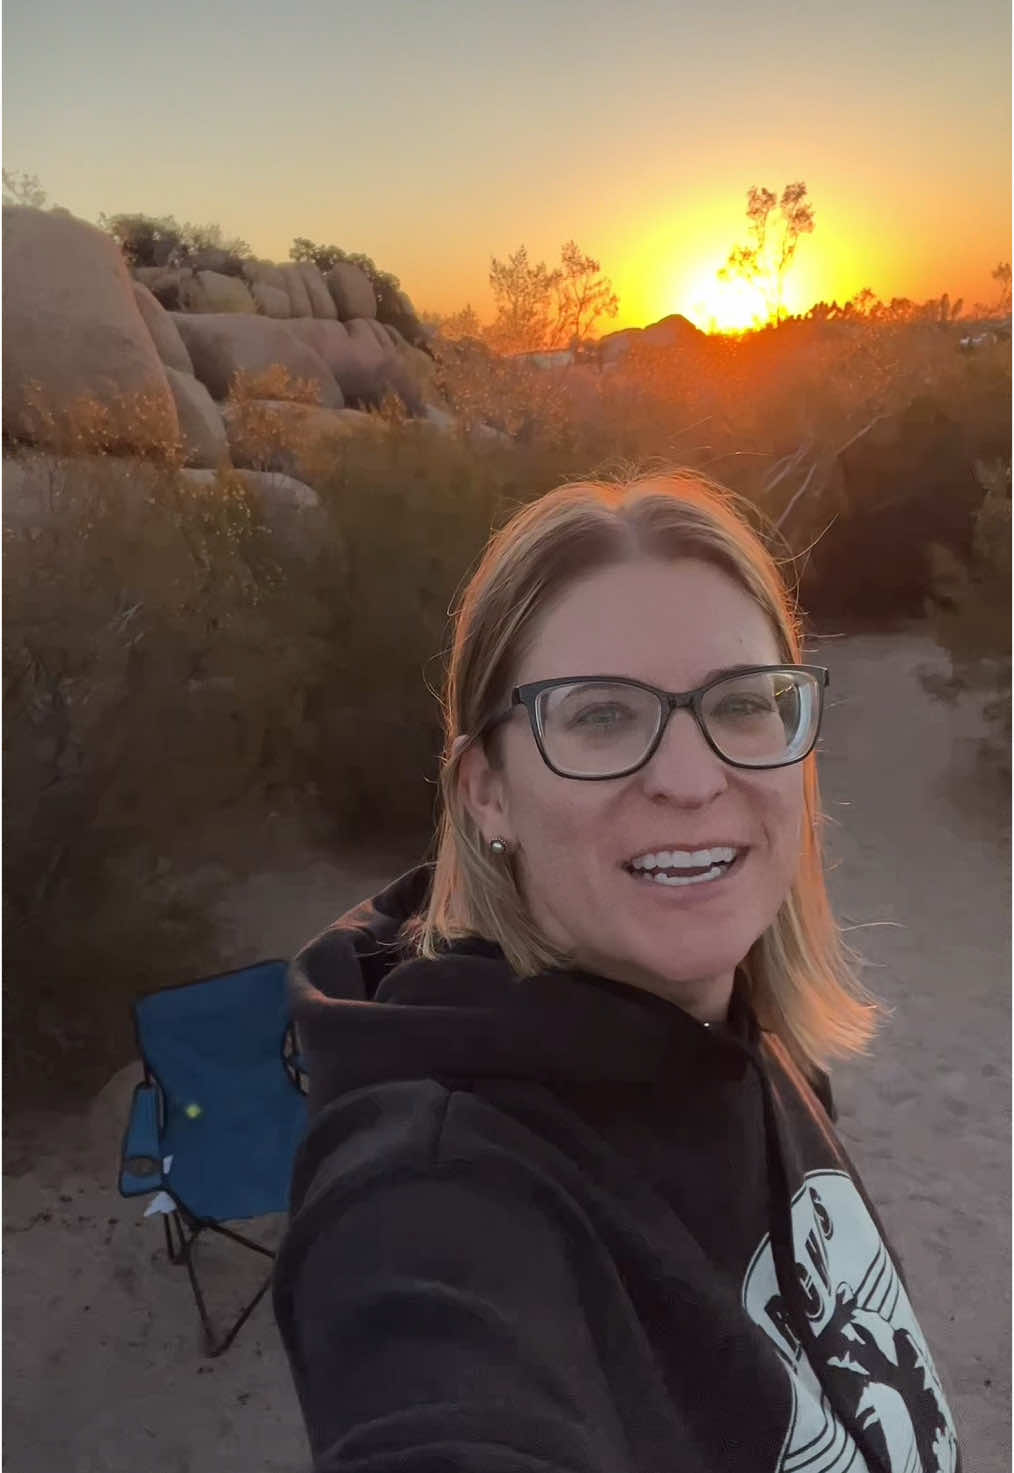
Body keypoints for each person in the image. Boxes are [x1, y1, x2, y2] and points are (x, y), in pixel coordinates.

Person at [273, 473, 961, 1473]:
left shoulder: (755, 1040)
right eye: (600, 717)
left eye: (741, 705)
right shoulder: (431, 1195)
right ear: (487, 793)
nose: (690, 779)